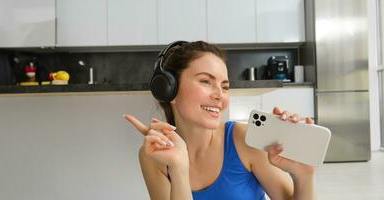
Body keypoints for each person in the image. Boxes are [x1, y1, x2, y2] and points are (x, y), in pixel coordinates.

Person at [124, 41, 316, 200]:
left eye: (224, 87)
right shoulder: (154, 155)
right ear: (170, 90)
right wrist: (179, 168)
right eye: (205, 81)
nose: (219, 96)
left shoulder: (243, 139)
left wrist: (303, 176)